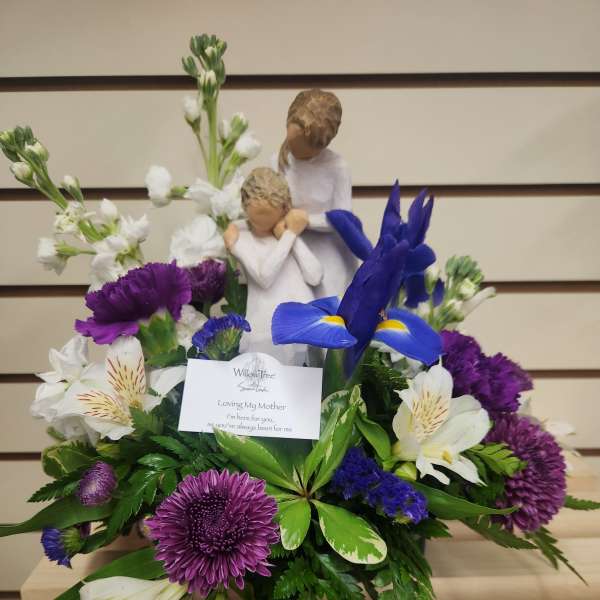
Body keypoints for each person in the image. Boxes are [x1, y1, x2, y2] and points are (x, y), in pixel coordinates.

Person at [224, 167, 322, 365]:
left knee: (309, 373)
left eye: (270, 217)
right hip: (266, 327)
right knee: (267, 372)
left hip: (304, 323)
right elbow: (264, 277)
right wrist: (235, 247)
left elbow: (315, 275)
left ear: (285, 209)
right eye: (256, 218)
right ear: (245, 207)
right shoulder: (243, 239)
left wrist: (291, 236)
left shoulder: (285, 235)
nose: (262, 226)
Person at [274, 88, 357, 298]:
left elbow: (344, 219)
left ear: (321, 144)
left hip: (327, 251)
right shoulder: (278, 161)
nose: (293, 150)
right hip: (291, 246)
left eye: (301, 147)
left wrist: (307, 220)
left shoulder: (337, 167)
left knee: (325, 301)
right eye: (290, 140)